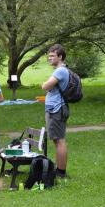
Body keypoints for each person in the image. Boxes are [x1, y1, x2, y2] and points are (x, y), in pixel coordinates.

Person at [42, 44, 70, 179]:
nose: (50, 58)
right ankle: (58, 169)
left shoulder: (60, 71)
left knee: (59, 140)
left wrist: (45, 84)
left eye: (52, 56)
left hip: (56, 109)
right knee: (57, 140)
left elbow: (45, 86)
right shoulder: (60, 70)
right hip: (55, 108)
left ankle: (61, 171)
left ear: (60, 57)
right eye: (49, 56)